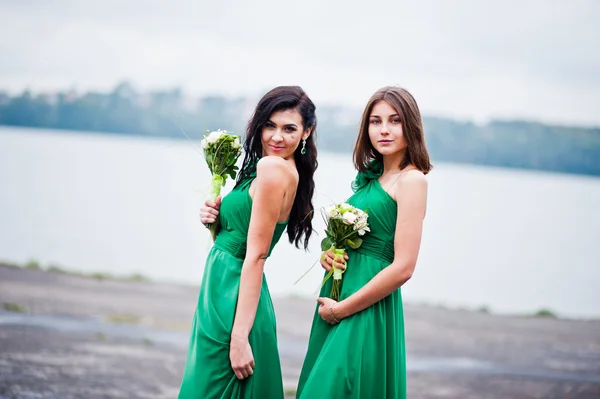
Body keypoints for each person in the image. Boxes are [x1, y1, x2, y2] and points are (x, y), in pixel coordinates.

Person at [178, 86, 318, 399]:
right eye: (270, 125)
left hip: (234, 298)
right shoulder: (272, 169)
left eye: (289, 129)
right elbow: (237, 239)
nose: (276, 137)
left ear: (307, 132)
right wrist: (215, 221)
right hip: (224, 289)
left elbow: (255, 256)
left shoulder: (272, 169)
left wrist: (240, 337)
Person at [296, 86, 431, 399]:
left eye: (394, 121)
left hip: (363, 307)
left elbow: (404, 267)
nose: (383, 130)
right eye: (375, 121)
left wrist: (343, 310)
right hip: (339, 296)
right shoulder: (373, 179)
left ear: (410, 126)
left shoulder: (412, 180)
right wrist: (328, 255)